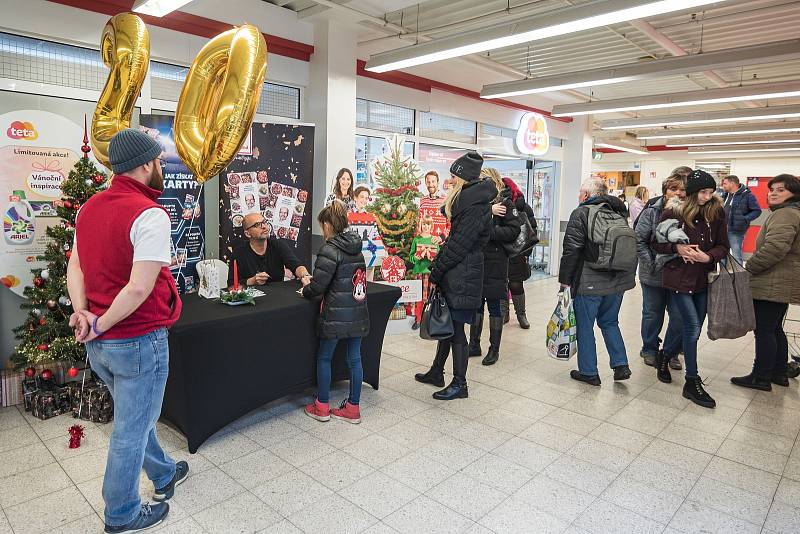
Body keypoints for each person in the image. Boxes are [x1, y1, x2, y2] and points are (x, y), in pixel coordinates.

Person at [66, 129, 187, 533]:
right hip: (137, 341)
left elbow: (75, 267)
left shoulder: (88, 209)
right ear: (146, 164)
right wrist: (98, 321)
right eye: (159, 161)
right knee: (130, 430)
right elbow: (139, 287)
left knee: (135, 419)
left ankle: (165, 473)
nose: (162, 168)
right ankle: (122, 513)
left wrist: (84, 315)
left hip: (99, 344)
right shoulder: (149, 213)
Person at [415, 151, 495, 398]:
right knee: (448, 325)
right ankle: (437, 371)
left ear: (463, 178)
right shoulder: (469, 203)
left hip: (464, 274)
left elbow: (459, 245)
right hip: (461, 272)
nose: (449, 181)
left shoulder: (474, 207)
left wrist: (437, 270)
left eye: (453, 176)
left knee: (457, 329)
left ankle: (460, 384)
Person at [653, 169, 729, 409]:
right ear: (693, 193)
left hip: (702, 278)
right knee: (692, 327)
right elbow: (656, 243)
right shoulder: (672, 211)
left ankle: (664, 355)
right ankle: (691, 381)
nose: (707, 196)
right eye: (703, 192)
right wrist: (678, 250)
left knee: (685, 326)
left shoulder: (716, 213)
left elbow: (723, 246)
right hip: (678, 278)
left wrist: (707, 257)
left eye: (710, 192)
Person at [560, 177, 636, 386]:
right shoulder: (618, 212)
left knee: (585, 326)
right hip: (617, 281)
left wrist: (564, 282)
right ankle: (621, 364)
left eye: (579, 193)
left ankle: (589, 372)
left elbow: (572, 251)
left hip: (589, 282)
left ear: (586, 195)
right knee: (610, 322)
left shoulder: (581, 213)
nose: (578, 196)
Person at [301, 201, 369, 422]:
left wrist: (306, 291)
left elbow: (318, 286)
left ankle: (321, 406)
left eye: (323, 225)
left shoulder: (329, 249)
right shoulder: (357, 248)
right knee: (355, 359)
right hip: (357, 312)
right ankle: (353, 408)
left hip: (335, 316)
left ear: (328, 224)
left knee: (324, 358)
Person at [731, 174, 800, 391]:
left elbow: (775, 249)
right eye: (772, 189)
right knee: (774, 328)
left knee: (764, 330)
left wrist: (749, 267)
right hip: (781, 281)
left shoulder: (786, 214)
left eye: (781, 190)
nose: (773, 193)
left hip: (773, 281)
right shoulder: (790, 212)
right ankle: (779, 373)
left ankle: (760, 377)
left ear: (793, 193)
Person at [468, 168, 521, 366]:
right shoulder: (480, 204)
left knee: (495, 307)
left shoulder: (506, 204)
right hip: (477, 260)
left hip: (496, 263)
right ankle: (474, 344)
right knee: (476, 305)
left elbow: (513, 231)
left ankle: (494, 349)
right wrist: (486, 213)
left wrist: (488, 231)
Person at [635, 174, 686, 369]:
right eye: (674, 189)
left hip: (680, 274)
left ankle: (671, 352)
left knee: (678, 314)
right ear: (666, 191)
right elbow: (639, 240)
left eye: (682, 190)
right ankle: (649, 348)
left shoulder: (689, 213)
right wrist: (650, 263)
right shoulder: (651, 212)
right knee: (652, 313)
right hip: (653, 272)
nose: (678, 193)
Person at [228, 213, 310, 287]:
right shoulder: (239, 252)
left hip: (277, 296)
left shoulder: (278, 245)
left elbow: (296, 265)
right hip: (250, 299)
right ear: (247, 233)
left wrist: (304, 275)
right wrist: (252, 281)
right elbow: (231, 284)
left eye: (264, 222)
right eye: (257, 225)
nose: (264, 226)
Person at [504, 177, 536, 329]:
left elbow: (533, 230)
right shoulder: (498, 205)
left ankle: (521, 314)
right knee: (501, 284)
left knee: (516, 284)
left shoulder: (523, 206)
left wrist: (526, 253)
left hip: (518, 252)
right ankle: (504, 313)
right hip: (501, 252)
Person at [720, 175, 762, 264]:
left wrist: (745, 219)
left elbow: (757, 211)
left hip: (736, 231)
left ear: (732, 183)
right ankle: (723, 276)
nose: (723, 186)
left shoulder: (747, 195)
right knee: (722, 255)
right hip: (722, 230)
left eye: (725, 184)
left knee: (736, 256)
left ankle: (739, 277)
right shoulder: (724, 195)